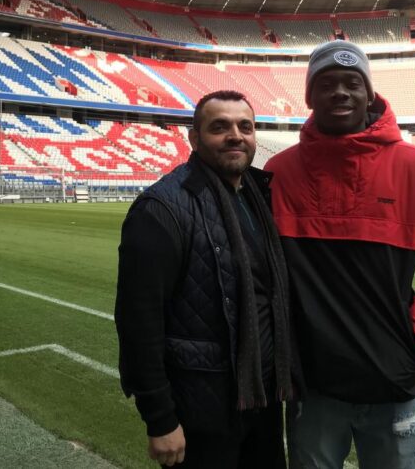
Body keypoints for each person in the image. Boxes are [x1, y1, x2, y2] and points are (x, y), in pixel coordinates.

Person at [264, 40, 415, 469]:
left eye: (352, 82)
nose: (340, 92)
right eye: (326, 84)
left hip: (392, 383)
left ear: (369, 93)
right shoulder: (277, 174)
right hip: (312, 386)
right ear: (310, 96)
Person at [115, 90, 303, 468]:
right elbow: (139, 320)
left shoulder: (257, 196)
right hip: (201, 408)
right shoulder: (161, 208)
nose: (236, 136)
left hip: (262, 399)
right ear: (194, 138)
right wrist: (160, 418)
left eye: (245, 127)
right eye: (220, 127)